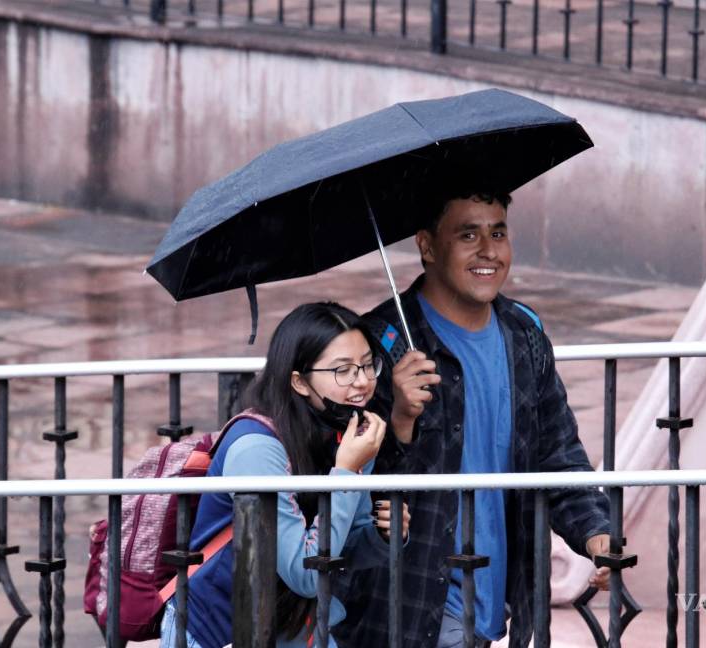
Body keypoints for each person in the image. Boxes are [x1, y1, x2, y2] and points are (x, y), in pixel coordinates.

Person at [334, 189, 612, 648]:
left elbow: (558, 456)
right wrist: (399, 417)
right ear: (427, 246)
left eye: (498, 232)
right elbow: (350, 493)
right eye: (468, 234)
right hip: (411, 605)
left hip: (495, 602)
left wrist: (597, 533)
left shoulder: (524, 335)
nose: (489, 251)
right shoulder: (378, 344)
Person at [160, 302, 406, 648]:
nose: (363, 382)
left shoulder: (342, 434)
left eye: (368, 365)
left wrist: (382, 536)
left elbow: (340, 546)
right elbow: (306, 572)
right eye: (343, 370)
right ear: (299, 382)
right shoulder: (257, 449)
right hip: (222, 632)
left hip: (295, 630)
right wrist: (347, 472)